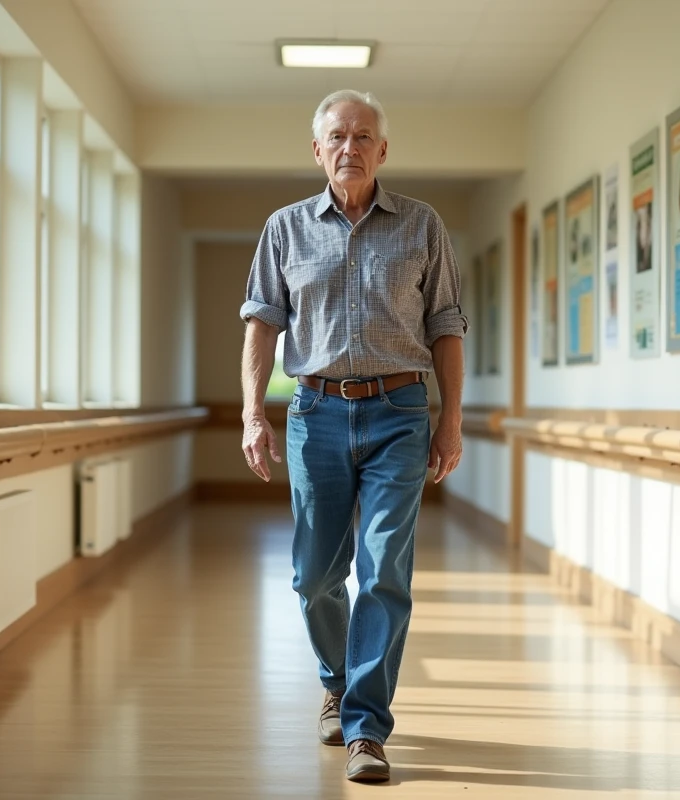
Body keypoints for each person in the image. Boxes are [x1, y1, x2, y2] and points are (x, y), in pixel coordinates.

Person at [238, 89, 467, 783]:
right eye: (337, 136)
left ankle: (367, 725)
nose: (350, 147)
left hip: (400, 412)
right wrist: (253, 412)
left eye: (363, 136)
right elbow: (261, 325)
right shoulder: (285, 229)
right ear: (317, 150)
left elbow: (447, 326)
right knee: (314, 578)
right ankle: (335, 682)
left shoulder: (422, 226)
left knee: (384, 567)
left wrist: (450, 417)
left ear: (383, 149)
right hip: (316, 413)